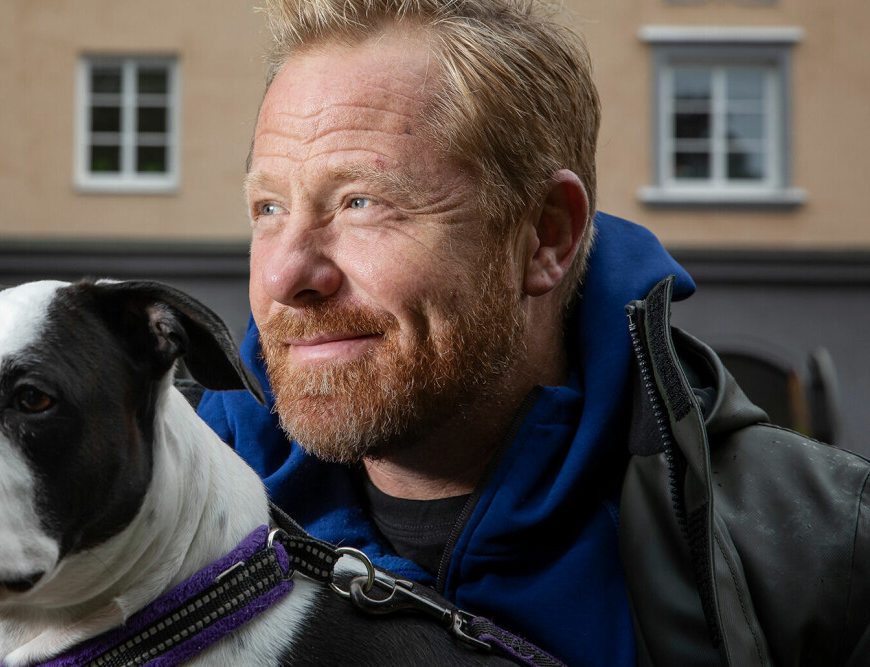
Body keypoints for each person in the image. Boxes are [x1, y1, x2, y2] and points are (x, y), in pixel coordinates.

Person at [196, 1, 870, 666]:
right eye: (269, 207)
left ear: (546, 235)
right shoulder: (148, 526)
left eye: (362, 202)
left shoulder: (827, 553)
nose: (285, 275)